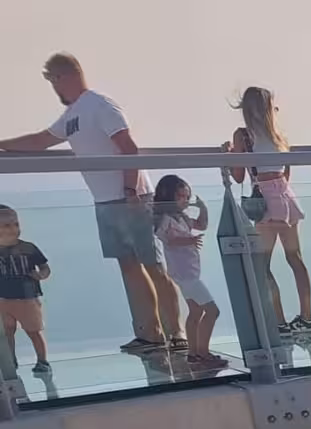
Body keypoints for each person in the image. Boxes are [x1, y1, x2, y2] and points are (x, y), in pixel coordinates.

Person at [0, 54, 181, 354]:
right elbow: (42, 139)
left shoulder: (100, 104)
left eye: (52, 80)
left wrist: (130, 189)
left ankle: (176, 334)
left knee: (153, 264)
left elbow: (129, 147)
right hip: (106, 200)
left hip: (129, 196)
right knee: (130, 267)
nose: (53, 88)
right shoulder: (73, 115)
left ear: (62, 77)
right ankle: (151, 334)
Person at [224, 87, 311, 334]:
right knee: (295, 259)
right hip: (286, 196)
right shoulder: (279, 136)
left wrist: (230, 154)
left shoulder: (243, 136)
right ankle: (307, 317)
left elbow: (239, 174)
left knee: (262, 265)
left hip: (265, 201)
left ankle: (279, 322)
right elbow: (286, 171)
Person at [152, 176, 220, 366]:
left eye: (186, 196)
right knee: (213, 311)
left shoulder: (181, 218)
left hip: (187, 272)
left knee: (196, 311)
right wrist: (189, 241)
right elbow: (166, 239)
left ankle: (194, 353)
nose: (184, 200)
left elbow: (201, 225)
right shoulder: (166, 219)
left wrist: (203, 208)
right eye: (180, 196)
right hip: (186, 274)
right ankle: (203, 352)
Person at [0, 204, 51, 374]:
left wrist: (40, 275)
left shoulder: (29, 248)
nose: (13, 229)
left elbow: (45, 268)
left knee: (33, 331)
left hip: (27, 297)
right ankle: (10, 361)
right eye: (7, 225)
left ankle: (43, 361)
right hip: (3, 299)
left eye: (16, 224)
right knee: (7, 331)